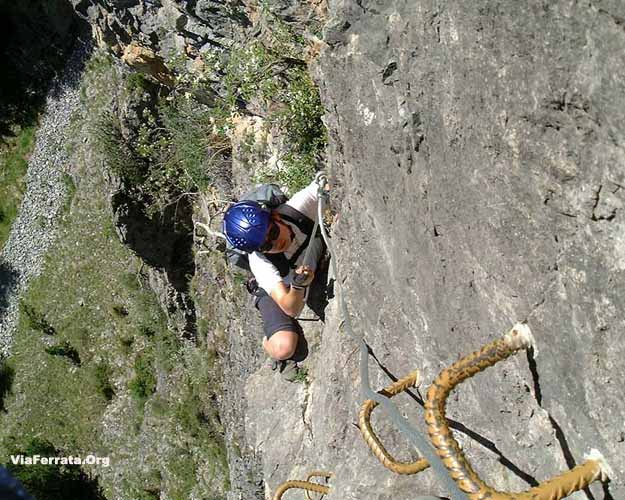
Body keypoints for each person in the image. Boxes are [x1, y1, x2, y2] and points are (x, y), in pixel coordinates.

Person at [222, 179, 326, 377]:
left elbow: (327, 183)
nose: (276, 243)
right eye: (265, 246)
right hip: (282, 287)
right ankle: (268, 345)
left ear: (275, 217)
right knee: (283, 347)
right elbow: (291, 307)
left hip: (294, 276)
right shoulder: (260, 262)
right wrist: (297, 286)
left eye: (274, 233)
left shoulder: (296, 210)